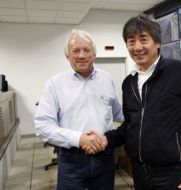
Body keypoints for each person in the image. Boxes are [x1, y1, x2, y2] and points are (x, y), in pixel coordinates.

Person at [83, 14, 181, 190]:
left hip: (172, 173)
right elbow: (130, 125)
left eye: (143, 39)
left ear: (157, 42)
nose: (137, 47)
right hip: (139, 171)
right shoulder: (129, 83)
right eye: (131, 41)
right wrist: (105, 139)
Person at [34, 29, 124, 190]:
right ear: (67, 56)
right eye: (75, 51)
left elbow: (118, 113)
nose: (81, 55)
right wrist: (79, 138)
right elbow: (42, 127)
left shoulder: (106, 79)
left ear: (94, 55)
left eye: (87, 50)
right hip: (72, 162)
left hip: (105, 158)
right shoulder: (54, 84)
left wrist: (143, 118)